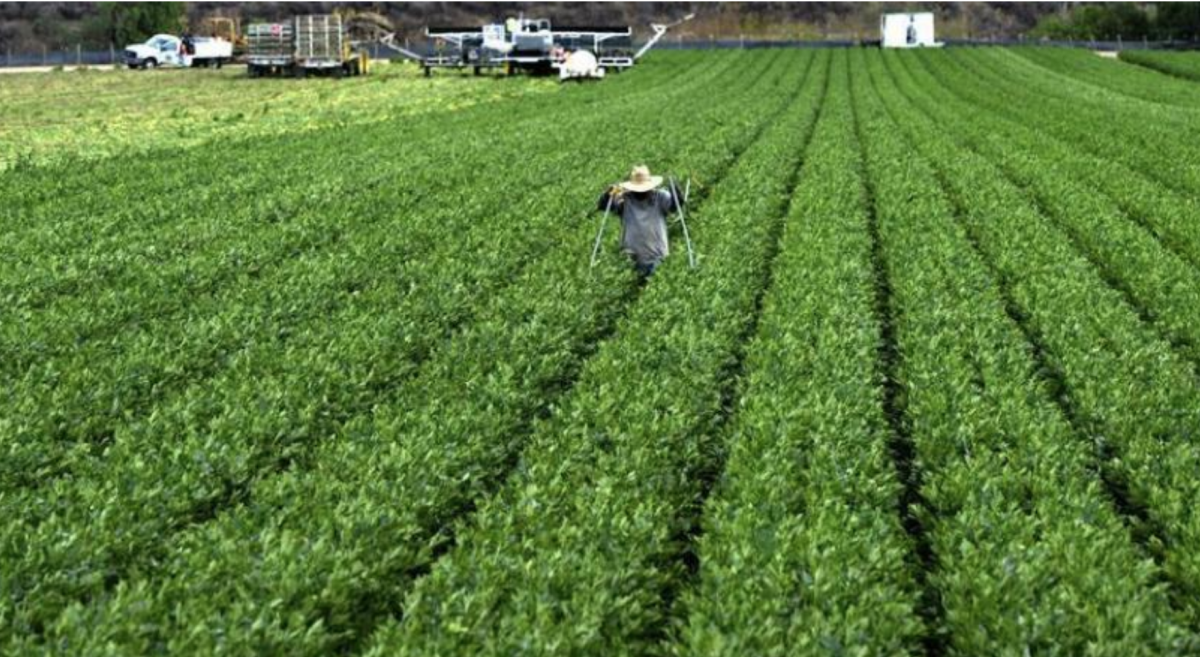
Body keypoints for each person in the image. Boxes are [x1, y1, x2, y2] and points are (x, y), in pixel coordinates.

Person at [596, 165, 684, 279]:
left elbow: (674, 206)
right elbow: (604, 206)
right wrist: (607, 195)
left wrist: (675, 190)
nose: (641, 192)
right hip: (632, 259)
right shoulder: (625, 199)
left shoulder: (660, 197)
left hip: (657, 257)